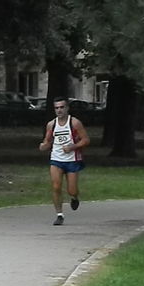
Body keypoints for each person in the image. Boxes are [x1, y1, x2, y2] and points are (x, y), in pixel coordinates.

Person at [39, 96, 90, 225]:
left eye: (62, 107)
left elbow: (86, 140)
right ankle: (59, 215)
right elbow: (47, 141)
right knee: (56, 187)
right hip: (56, 159)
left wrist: (73, 146)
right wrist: (44, 146)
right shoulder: (51, 124)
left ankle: (74, 197)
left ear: (67, 108)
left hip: (72, 160)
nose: (59, 110)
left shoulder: (74, 123)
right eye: (57, 108)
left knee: (71, 190)